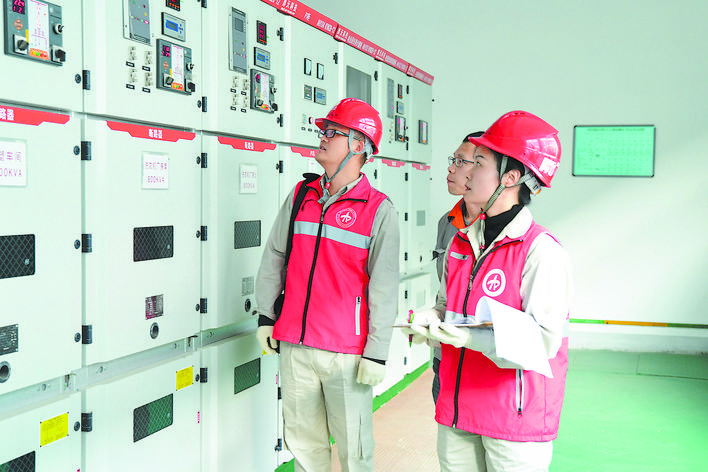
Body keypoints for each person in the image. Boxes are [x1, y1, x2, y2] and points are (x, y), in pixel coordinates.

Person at [406, 110, 572, 472]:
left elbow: (543, 342)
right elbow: (446, 306)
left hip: (514, 419)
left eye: (479, 163)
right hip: (458, 409)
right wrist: (428, 319)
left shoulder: (540, 251)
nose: (467, 173)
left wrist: (469, 337)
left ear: (510, 178)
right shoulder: (461, 241)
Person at [255, 98, 400, 472]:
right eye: (324, 131)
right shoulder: (301, 195)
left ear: (358, 145)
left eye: (332, 132)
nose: (322, 137)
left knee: (354, 449)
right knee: (304, 446)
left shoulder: (378, 209)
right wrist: (266, 315)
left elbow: (384, 288)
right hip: (295, 344)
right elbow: (275, 255)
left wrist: (377, 351)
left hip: (346, 353)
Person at [431, 131, 484, 403]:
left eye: (461, 162)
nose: (451, 168)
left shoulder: (501, 231)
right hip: (445, 355)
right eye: (453, 160)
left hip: (484, 358)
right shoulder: (447, 223)